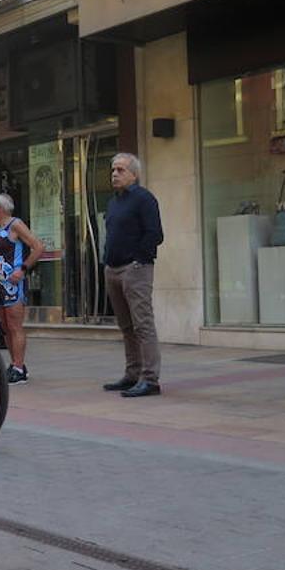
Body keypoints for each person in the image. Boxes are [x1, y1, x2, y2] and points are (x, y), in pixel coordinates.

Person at [101, 153, 165, 398]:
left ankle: (150, 379)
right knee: (126, 326)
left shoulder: (144, 199)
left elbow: (155, 234)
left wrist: (139, 260)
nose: (115, 174)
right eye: (113, 170)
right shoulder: (114, 202)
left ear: (134, 174)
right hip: (113, 268)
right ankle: (132, 374)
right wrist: (107, 261)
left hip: (135, 269)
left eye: (120, 170)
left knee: (143, 324)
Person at [0, 193, 44, 384]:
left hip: (13, 283)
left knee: (14, 325)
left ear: (0, 209)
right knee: (4, 326)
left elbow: (37, 247)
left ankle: (19, 366)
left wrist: (24, 269)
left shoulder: (16, 225)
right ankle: (14, 363)